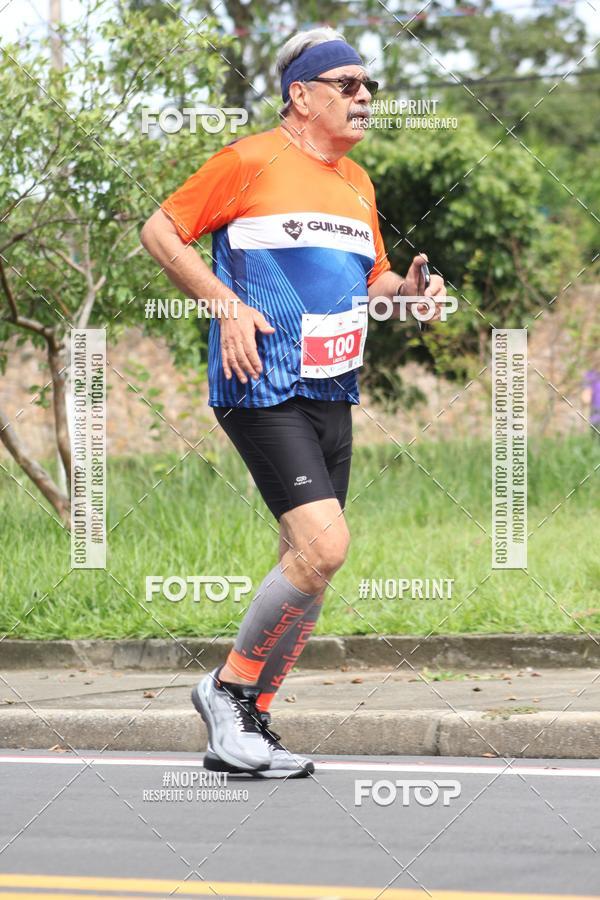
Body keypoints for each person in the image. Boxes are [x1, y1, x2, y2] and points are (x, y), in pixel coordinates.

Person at [140, 27, 447, 778]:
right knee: (324, 546)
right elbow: (161, 230)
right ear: (300, 96)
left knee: (305, 559)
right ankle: (226, 691)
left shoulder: (358, 183)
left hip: (331, 386)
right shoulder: (248, 160)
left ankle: (252, 724)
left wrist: (407, 297)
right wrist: (224, 304)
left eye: (368, 85)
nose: (365, 96)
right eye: (347, 84)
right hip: (262, 383)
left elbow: (371, 283)